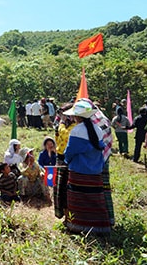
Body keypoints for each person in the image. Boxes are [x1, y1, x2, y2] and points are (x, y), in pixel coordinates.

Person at [63, 99, 111, 234]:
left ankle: (77, 226)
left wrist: (66, 161)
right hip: (95, 172)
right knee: (95, 200)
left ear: (77, 116)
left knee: (77, 199)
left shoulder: (76, 130)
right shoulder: (97, 129)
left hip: (78, 171)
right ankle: (100, 227)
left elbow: (70, 152)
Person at [53, 102, 75, 218]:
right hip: (60, 157)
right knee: (59, 187)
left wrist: (61, 125)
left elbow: (66, 136)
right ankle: (62, 213)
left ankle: (69, 216)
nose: (63, 117)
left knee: (68, 187)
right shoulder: (63, 125)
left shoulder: (75, 126)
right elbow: (58, 139)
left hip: (70, 158)